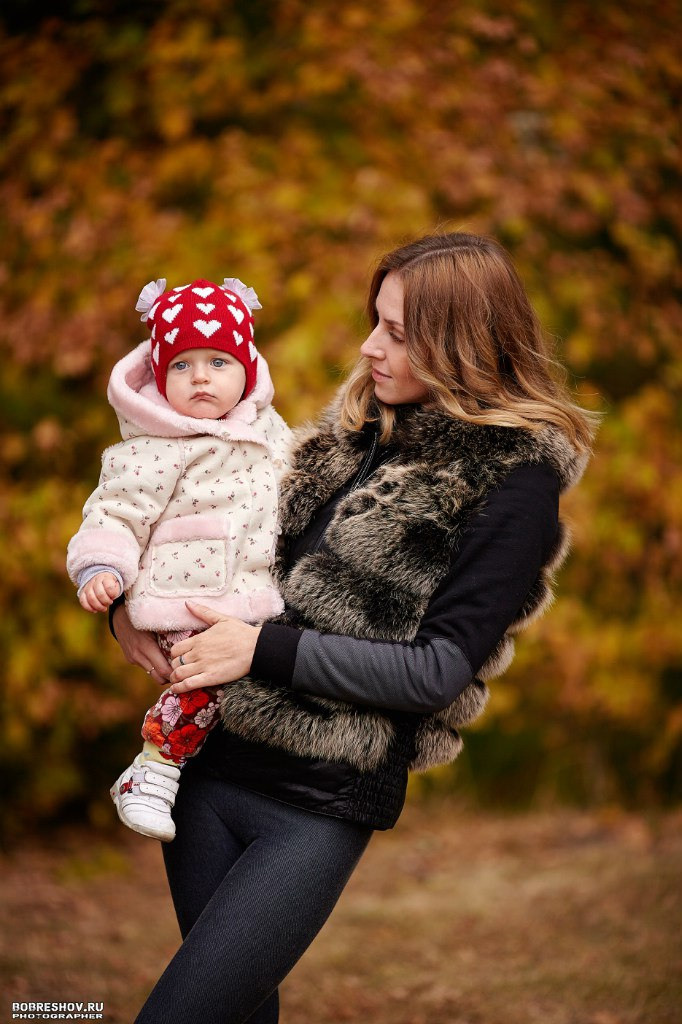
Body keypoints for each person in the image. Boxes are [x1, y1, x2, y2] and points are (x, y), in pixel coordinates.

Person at [109, 231, 596, 1024]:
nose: (370, 346)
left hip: (312, 806)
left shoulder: (513, 487)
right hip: (206, 769)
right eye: (376, 320)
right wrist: (127, 613)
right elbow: (204, 542)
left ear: (461, 343)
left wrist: (258, 648)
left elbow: (436, 673)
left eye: (398, 333)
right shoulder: (343, 442)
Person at [66, 276, 292, 841]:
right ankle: (152, 769)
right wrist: (104, 570)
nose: (201, 379)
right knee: (205, 683)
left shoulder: (268, 431)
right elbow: (115, 514)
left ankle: (210, 783)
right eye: (183, 366)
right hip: (184, 597)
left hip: (252, 597)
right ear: (160, 376)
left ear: (247, 367)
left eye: (218, 362)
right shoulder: (151, 448)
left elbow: (300, 484)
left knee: (257, 687)